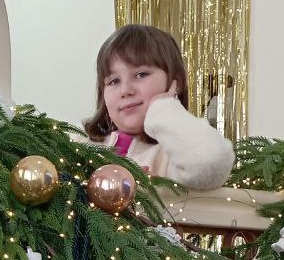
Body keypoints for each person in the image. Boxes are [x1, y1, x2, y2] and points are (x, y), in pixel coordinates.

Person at [83, 24, 234, 190]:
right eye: (114, 81)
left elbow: (210, 161)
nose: (125, 90)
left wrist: (163, 109)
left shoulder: (174, 158)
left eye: (141, 74)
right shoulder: (80, 144)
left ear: (176, 83)